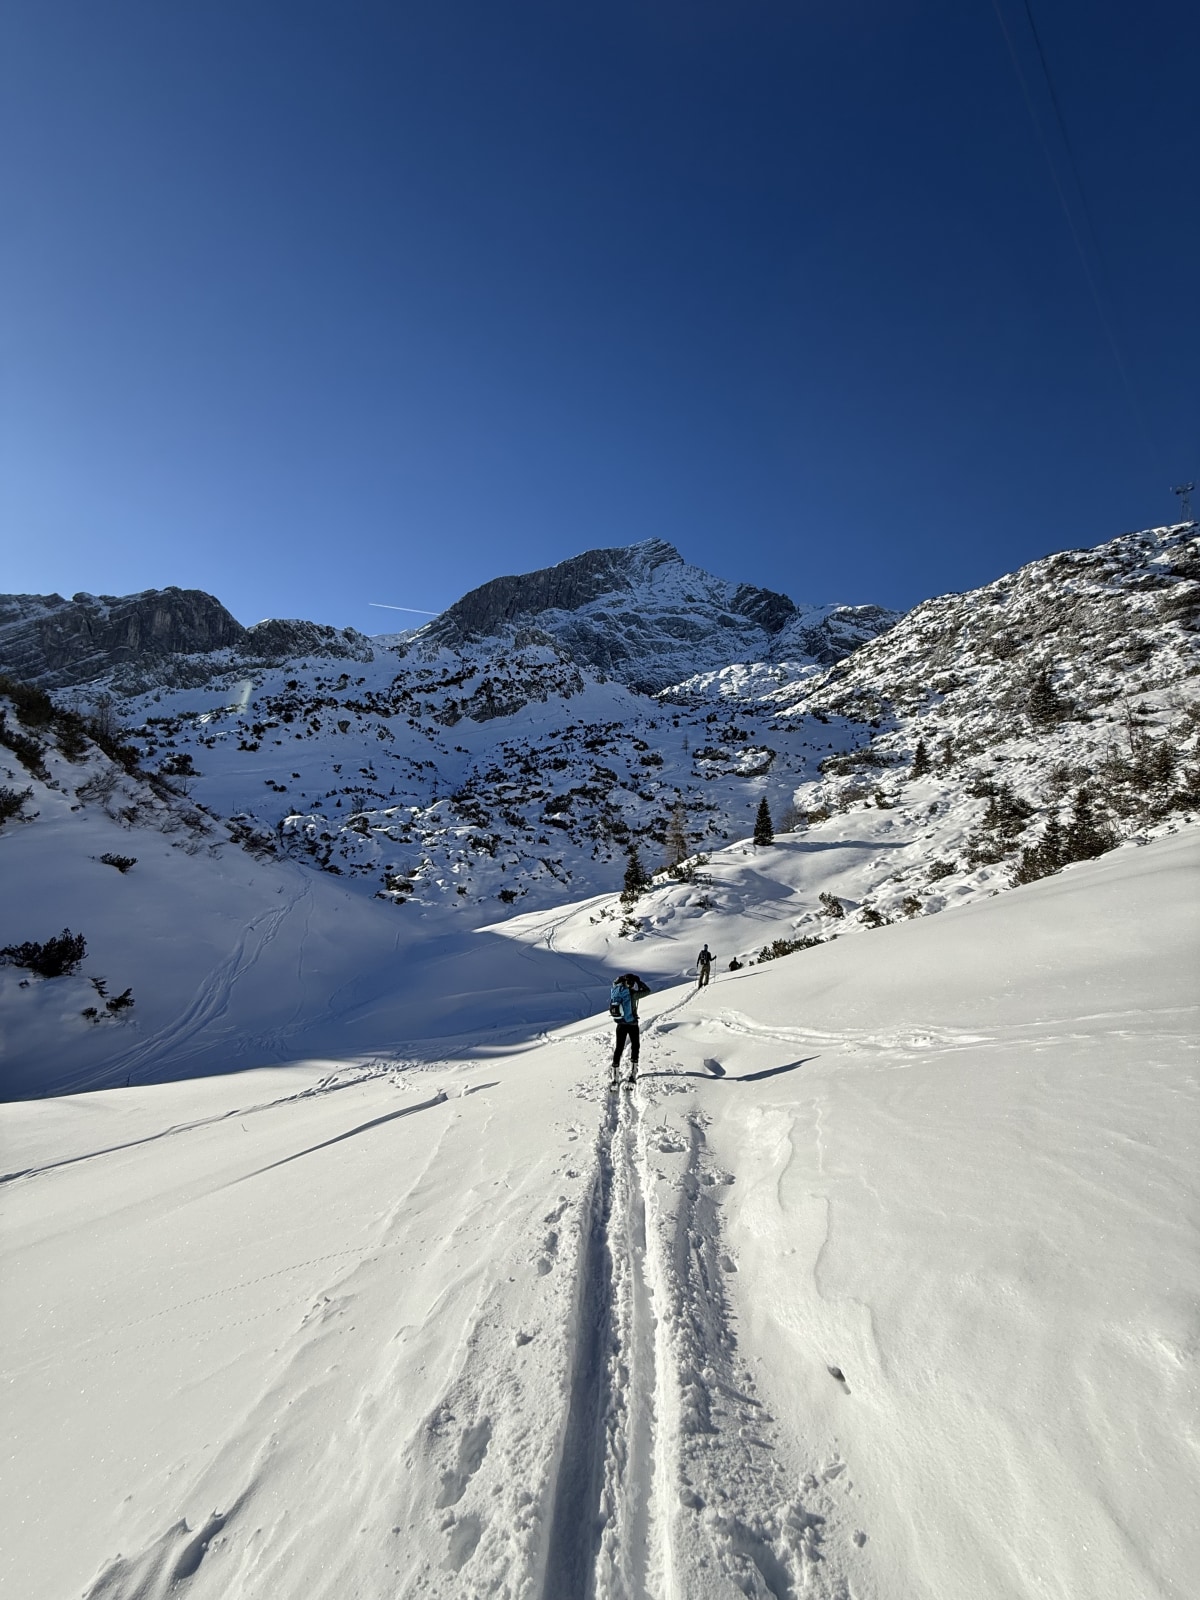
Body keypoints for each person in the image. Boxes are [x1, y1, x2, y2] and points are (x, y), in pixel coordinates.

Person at [609, 972, 651, 1088]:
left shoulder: (615, 991)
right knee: (635, 1045)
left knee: (619, 1048)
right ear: (632, 984)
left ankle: (615, 1076)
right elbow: (647, 991)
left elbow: (614, 983)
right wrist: (639, 982)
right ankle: (633, 1072)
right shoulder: (632, 994)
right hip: (632, 1024)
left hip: (620, 1024)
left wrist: (620, 979)